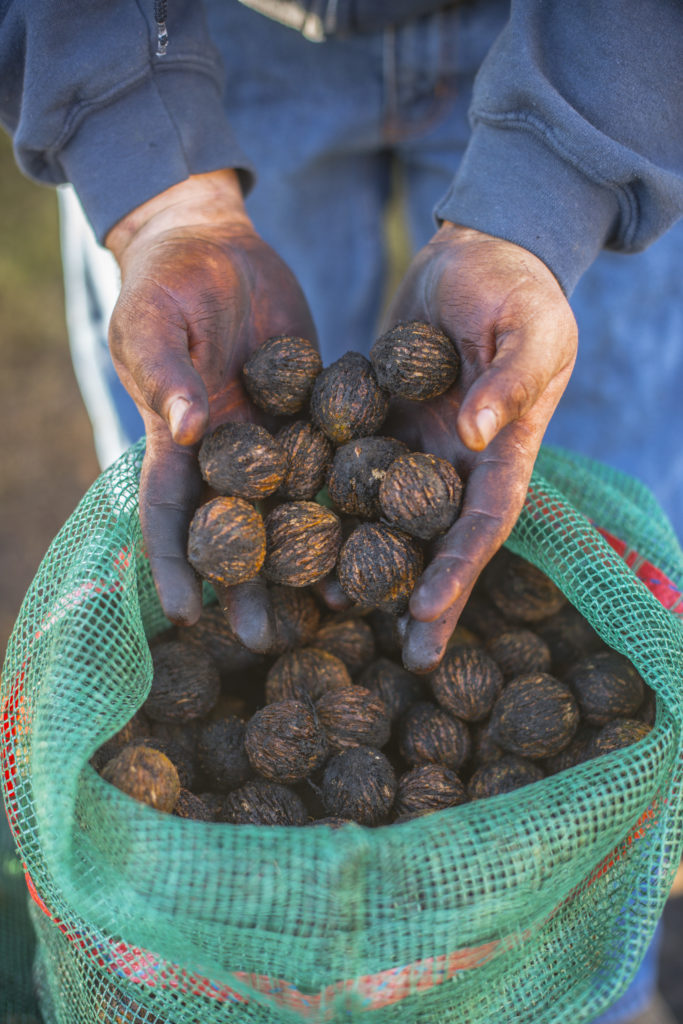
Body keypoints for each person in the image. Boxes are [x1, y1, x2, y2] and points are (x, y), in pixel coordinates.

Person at [1, 4, 682, 1019]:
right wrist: (155, 190)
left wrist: (556, 190)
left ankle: (577, 982)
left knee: (566, 494)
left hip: (592, 50)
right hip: (207, 39)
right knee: (196, 492)